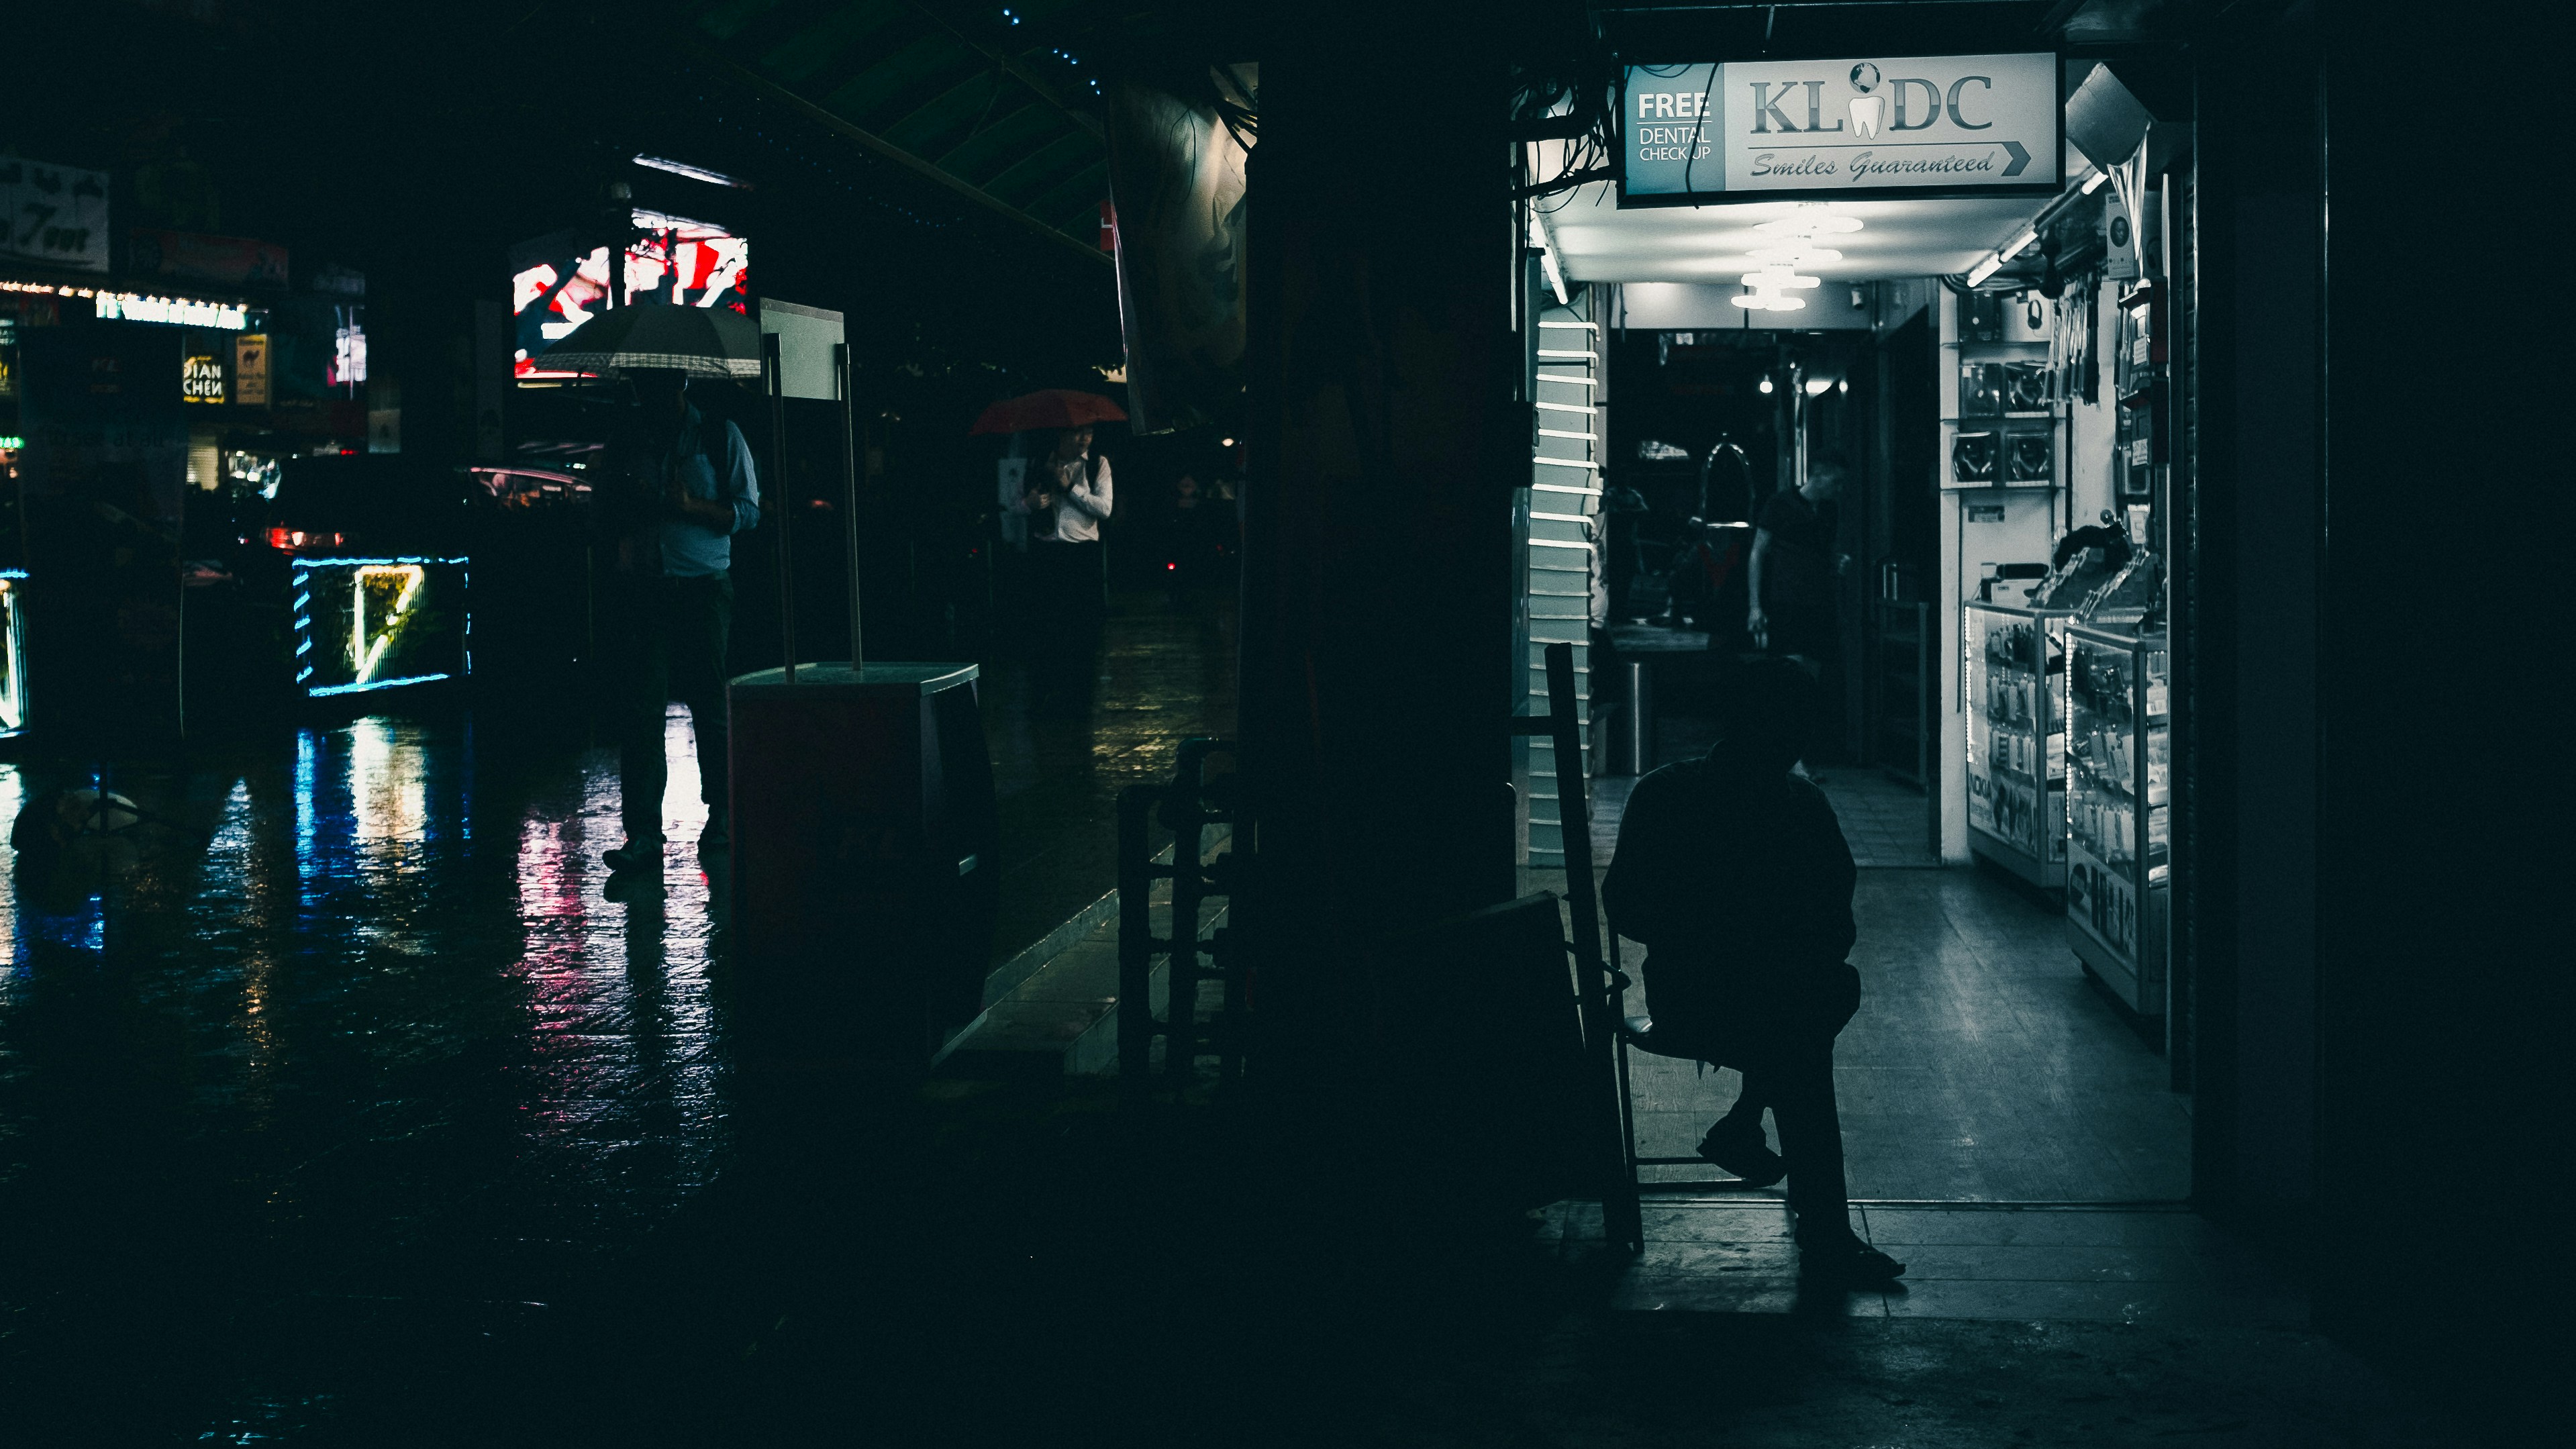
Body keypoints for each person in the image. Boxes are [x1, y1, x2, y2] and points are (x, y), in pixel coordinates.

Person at [1601, 656, 1905, 1284]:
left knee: (1799, 1015)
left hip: (1685, 997)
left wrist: (1703, 927)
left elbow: (1623, 906)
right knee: (1810, 1019)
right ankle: (1814, 1217)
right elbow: (1837, 926)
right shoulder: (1804, 808)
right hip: (1761, 999)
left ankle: (1753, 1134)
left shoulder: (1664, 792)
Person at [597, 368, 761, 875]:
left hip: (702, 587)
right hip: (647, 588)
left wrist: (691, 506)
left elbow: (748, 511)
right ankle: (644, 833)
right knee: (641, 708)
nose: (647, 395)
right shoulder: (629, 440)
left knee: (708, 703)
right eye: (641, 387)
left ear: (679, 384)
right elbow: (607, 508)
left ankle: (724, 815)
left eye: (655, 385)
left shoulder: (718, 434)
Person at [1009, 424, 1113, 714]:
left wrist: (1070, 487)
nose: (1084, 439)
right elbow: (1013, 504)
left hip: (1081, 557)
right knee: (1046, 629)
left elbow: (1105, 509)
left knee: (1081, 630)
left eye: (1090, 433)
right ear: (1061, 435)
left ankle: (1078, 697)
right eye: (1078, 433)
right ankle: (1044, 694)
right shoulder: (1037, 463)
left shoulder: (1097, 464)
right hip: (1046, 555)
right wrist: (1028, 504)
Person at [1745, 458, 1850, 664]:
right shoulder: (1780, 504)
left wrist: (1837, 563)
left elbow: (1821, 552)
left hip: (1821, 600)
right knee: (1790, 665)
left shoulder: (1830, 510)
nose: (1839, 488)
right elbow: (1757, 552)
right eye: (1836, 481)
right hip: (1788, 599)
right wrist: (1755, 606)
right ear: (1818, 475)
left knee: (1822, 664)